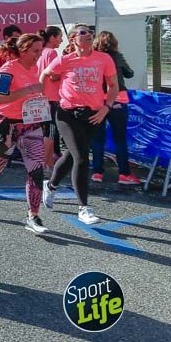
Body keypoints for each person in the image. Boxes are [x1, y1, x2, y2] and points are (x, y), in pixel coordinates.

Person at [0, 35, 51, 233]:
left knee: (36, 169)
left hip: (30, 124)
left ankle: (33, 216)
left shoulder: (35, 68)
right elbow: (0, 97)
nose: (39, 54)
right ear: (23, 50)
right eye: (35, 51)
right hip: (4, 125)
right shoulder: (7, 69)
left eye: (40, 50)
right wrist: (30, 89)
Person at [41, 24, 118, 224]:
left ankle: (50, 185)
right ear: (73, 38)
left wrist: (105, 108)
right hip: (67, 114)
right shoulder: (64, 60)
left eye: (90, 32)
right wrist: (43, 97)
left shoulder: (104, 59)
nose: (88, 35)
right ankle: (84, 208)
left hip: (94, 115)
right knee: (82, 158)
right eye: (83, 32)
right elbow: (45, 75)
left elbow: (113, 86)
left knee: (70, 156)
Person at [90, 31, 141, 186]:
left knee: (97, 138)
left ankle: (97, 172)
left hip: (98, 99)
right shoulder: (117, 57)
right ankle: (124, 173)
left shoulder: (93, 57)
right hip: (117, 99)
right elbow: (130, 73)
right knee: (120, 139)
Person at [37, 26, 63, 174]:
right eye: (60, 37)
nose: (61, 40)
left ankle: (46, 161)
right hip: (51, 97)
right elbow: (54, 75)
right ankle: (46, 163)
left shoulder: (40, 52)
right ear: (52, 37)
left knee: (44, 131)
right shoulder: (52, 53)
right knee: (50, 132)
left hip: (41, 97)